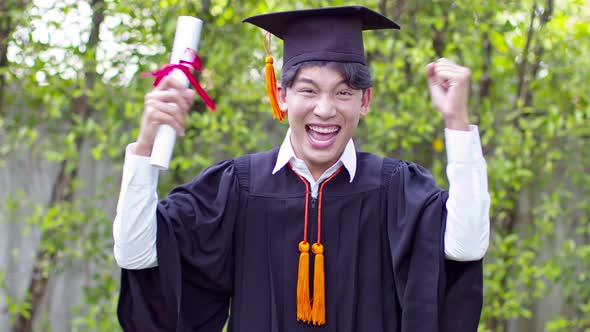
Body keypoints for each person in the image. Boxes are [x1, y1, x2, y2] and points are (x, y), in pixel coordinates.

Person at [113, 5, 490, 332]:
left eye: (343, 93)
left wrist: (456, 120)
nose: (325, 110)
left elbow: (467, 246)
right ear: (281, 95)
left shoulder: (396, 189)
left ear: (365, 101)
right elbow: (135, 254)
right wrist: (146, 144)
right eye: (308, 90)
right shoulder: (237, 188)